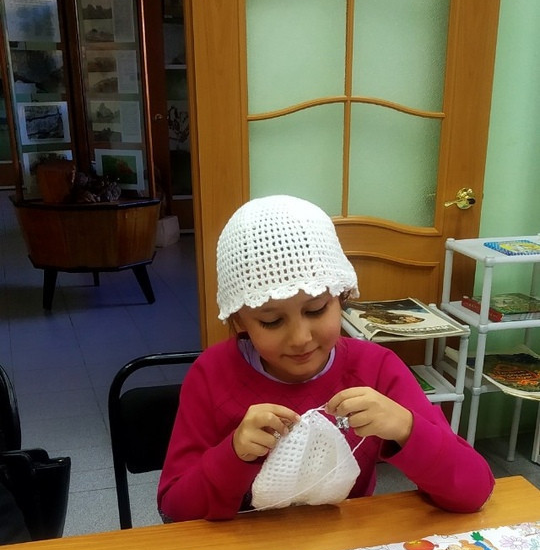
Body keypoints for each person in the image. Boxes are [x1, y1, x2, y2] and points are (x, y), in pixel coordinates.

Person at [158, 195, 494, 522]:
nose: (300, 338)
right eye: (271, 321)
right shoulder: (211, 375)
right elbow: (175, 510)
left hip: (345, 547)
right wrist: (233, 453)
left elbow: (475, 491)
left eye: (316, 310)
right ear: (239, 320)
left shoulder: (377, 369)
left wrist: (406, 427)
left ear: (341, 296)